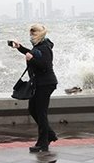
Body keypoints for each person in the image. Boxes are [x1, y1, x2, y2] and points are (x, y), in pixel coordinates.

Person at [9, 23, 58, 152]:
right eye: (30, 34)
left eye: (33, 34)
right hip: (39, 84)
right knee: (33, 109)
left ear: (39, 34)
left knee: (41, 113)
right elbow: (31, 53)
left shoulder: (45, 47)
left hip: (46, 84)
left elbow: (45, 65)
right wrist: (20, 48)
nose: (31, 36)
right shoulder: (38, 46)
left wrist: (32, 59)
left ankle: (43, 143)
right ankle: (50, 135)